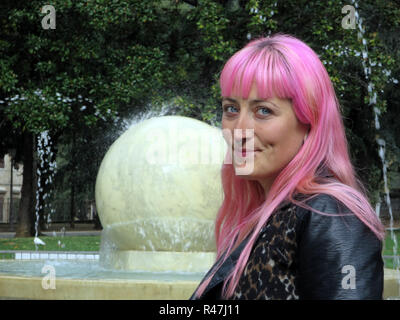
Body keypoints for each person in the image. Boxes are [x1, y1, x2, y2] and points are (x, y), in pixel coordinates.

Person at [190, 33, 385, 300]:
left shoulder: (334, 216)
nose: (239, 130)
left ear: (309, 121)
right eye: (231, 109)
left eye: (264, 111)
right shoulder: (270, 214)